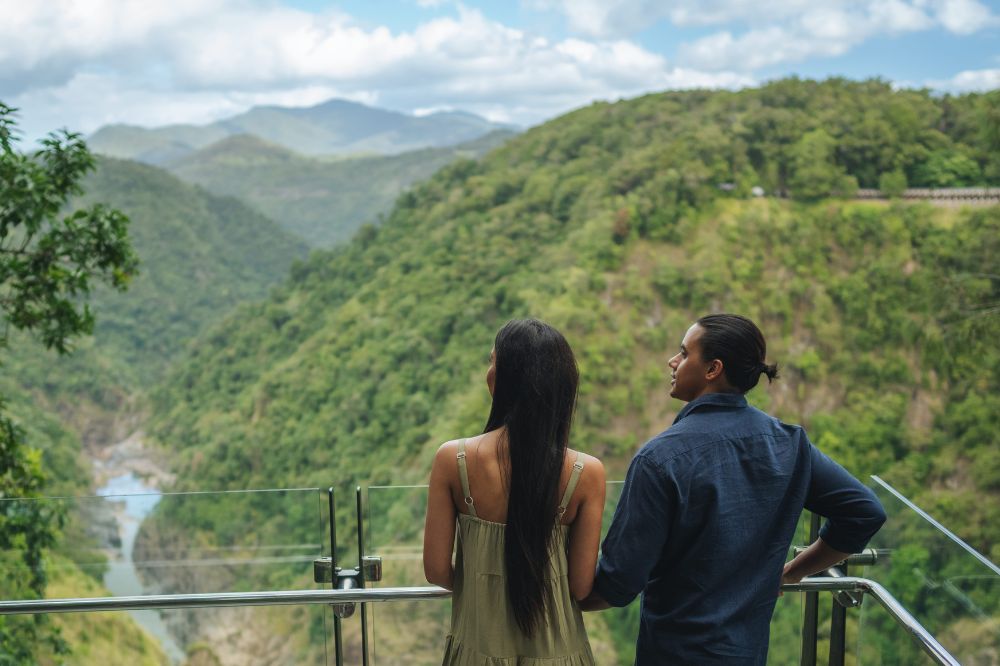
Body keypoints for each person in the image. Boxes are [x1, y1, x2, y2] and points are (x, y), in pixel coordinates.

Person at [582, 313, 886, 665]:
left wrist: (558, 598)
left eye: (683, 353)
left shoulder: (660, 458)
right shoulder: (789, 444)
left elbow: (619, 583)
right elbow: (864, 512)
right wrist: (790, 573)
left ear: (712, 369)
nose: (673, 361)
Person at [423, 318, 606, 665]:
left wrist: (484, 584)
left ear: (503, 379)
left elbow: (436, 570)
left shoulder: (454, 460)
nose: (488, 371)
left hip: (477, 648)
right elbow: (581, 587)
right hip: (559, 652)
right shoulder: (587, 473)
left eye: (492, 361)